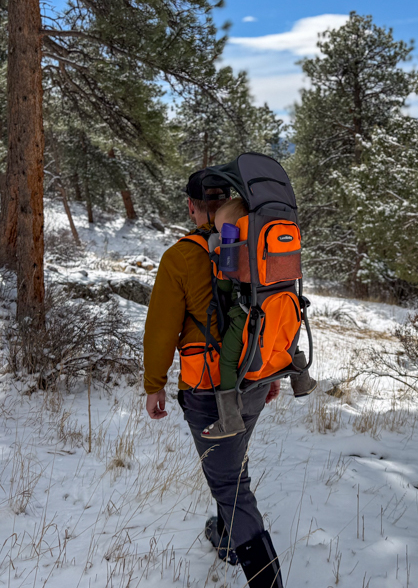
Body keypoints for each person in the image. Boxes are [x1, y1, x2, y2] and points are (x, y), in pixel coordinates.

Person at [142, 170, 283, 587]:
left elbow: (161, 328)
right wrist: (270, 369)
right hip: (254, 378)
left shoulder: (181, 257)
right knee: (230, 467)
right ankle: (224, 541)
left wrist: (154, 384)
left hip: (208, 390)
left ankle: (267, 582)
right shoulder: (254, 245)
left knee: (230, 485)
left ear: (191, 206)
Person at [202, 198, 318, 439]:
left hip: (248, 316)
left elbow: (223, 290)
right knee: (288, 340)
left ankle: (230, 419)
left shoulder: (235, 252)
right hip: (285, 306)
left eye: (224, 230)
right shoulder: (267, 245)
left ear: (239, 229)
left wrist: (219, 260)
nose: (221, 234)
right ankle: (302, 382)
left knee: (228, 361)